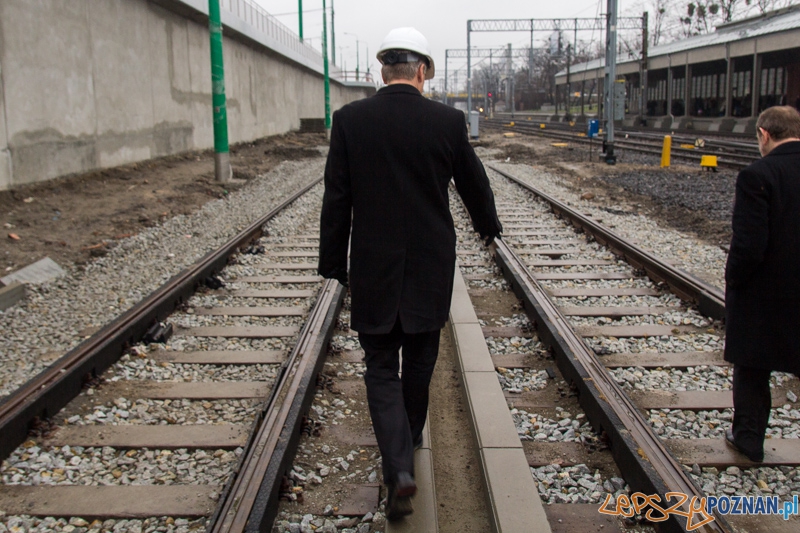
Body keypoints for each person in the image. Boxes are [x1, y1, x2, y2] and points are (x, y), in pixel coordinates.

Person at [318, 27, 502, 520]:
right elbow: (474, 182)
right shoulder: (448, 121)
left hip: (374, 266)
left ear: (383, 71)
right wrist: (488, 227)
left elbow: (337, 197)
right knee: (420, 361)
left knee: (380, 366)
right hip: (429, 265)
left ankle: (398, 466)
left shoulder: (350, 121)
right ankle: (409, 445)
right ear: (422, 71)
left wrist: (333, 262)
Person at [724, 105, 800, 462]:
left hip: (766, 291)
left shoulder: (758, 175)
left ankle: (749, 439)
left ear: (764, 134)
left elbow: (749, 244)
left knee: (752, 365)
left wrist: (735, 280)